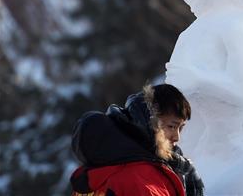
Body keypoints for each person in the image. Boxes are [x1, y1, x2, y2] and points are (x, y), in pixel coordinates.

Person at [70, 83, 204, 196]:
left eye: (180, 128)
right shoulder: (141, 180)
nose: (177, 137)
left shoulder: (101, 170)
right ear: (149, 123)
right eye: (171, 126)